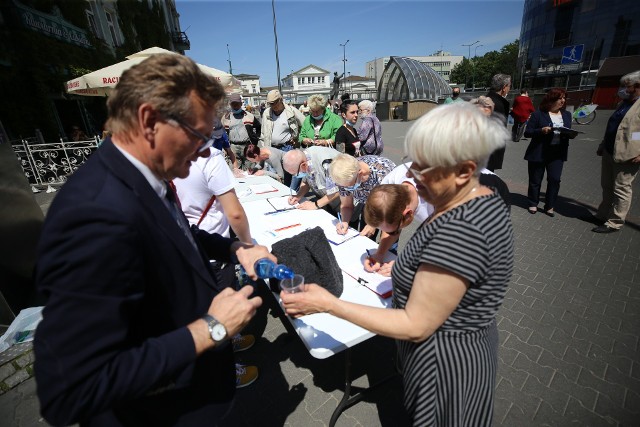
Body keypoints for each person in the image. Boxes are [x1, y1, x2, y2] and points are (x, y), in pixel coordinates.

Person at [33, 53, 274, 426]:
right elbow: (70, 391)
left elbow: (176, 232)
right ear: (149, 121)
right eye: (198, 136)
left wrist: (231, 246)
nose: (206, 151)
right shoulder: (94, 216)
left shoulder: (147, 175)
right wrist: (211, 328)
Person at [281, 102, 513, 426]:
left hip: (446, 370)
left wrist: (328, 303)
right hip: (430, 357)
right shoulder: (453, 203)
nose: (412, 177)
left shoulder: (465, 226)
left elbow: (416, 323)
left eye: (423, 167)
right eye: (412, 163)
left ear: (464, 171)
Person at [173, 148, 258, 388]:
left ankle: (231, 341)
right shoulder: (208, 158)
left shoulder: (164, 163)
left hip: (201, 245)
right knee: (217, 314)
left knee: (217, 309)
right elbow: (235, 213)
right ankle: (229, 372)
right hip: (212, 251)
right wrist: (247, 246)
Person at [361, 163, 434, 275]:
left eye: (394, 230)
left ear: (408, 214)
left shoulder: (438, 202)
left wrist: (406, 265)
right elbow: (389, 228)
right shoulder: (387, 185)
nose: (388, 233)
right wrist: (380, 254)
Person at [591, 71, 640, 233]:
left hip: (628, 155)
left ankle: (615, 222)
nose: (623, 89)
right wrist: (603, 144)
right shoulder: (624, 103)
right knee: (607, 186)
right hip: (610, 150)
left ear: (637, 86)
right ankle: (602, 215)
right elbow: (613, 127)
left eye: (627, 86)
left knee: (622, 188)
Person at [523, 88, 575, 217]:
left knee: (555, 179)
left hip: (557, 153)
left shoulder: (567, 115)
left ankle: (550, 205)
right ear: (551, 100)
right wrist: (541, 130)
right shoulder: (538, 114)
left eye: (564, 98)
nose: (562, 101)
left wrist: (570, 134)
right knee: (535, 180)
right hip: (539, 152)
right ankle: (533, 203)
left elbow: (567, 130)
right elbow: (528, 132)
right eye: (559, 98)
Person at [329, 153, 395, 233]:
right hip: (368, 202)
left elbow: (389, 207)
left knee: (388, 232)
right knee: (367, 230)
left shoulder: (382, 175)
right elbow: (346, 206)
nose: (346, 189)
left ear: (360, 174)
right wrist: (345, 222)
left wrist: (373, 224)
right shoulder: (344, 177)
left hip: (391, 204)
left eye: (350, 186)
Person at [282, 146, 341, 213]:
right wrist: (299, 195)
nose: (295, 176)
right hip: (331, 204)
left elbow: (337, 190)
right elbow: (307, 181)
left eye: (296, 174)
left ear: (303, 165)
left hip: (350, 206)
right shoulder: (305, 158)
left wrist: (315, 205)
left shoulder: (326, 162)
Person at [221, 93, 260, 170]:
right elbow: (221, 132)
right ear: (230, 104)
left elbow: (258, 127)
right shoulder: (225, 118)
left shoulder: (249, 116)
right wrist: (225, 147)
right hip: (233, 148)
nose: (235, 106)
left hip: (247, 146)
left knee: (249, 171)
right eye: (233, 104)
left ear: (241, 104)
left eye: (237, 104)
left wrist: (255, 140)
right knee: (235, 171)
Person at [486, 73, 511, 171]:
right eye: (509, 86)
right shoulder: (496, 104)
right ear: (504, 87)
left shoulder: (489, 99)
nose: (509, 88)